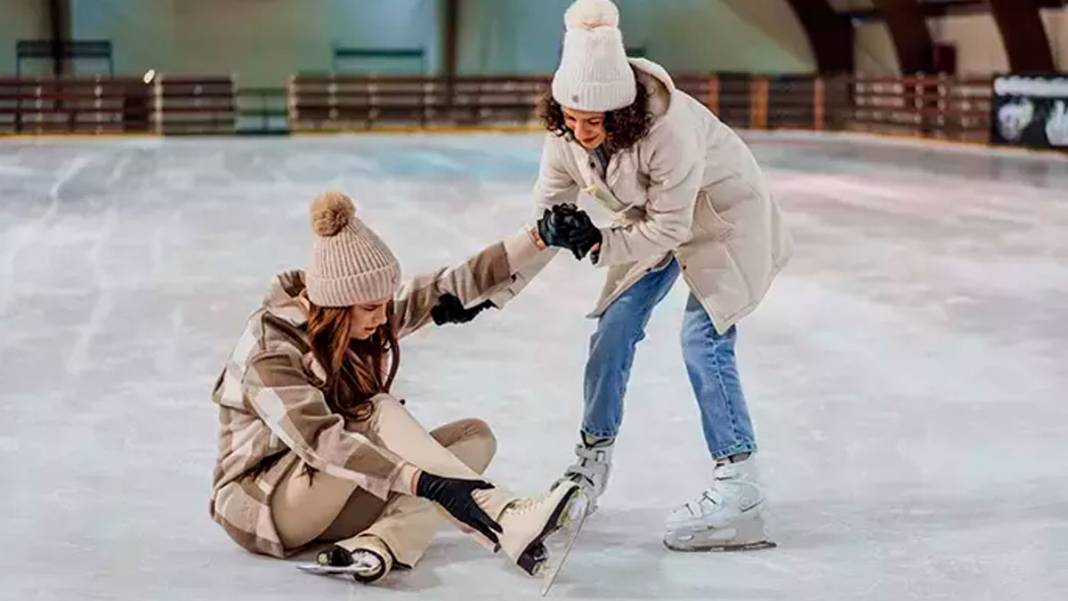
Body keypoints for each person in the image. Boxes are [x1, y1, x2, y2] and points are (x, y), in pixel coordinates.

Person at [486, 0, 793, 551]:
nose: (578, 132)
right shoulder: (566, 133)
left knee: (704, 341)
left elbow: (673, 227)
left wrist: (601, 242)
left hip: (723, 218)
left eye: (592, 122)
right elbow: (548, 209)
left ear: (621, 114)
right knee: (614, 326)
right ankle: (590, 462)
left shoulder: (668, 127)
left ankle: (740, 489)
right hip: (654, 218)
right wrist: (512, 270)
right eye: (569, 119)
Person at [209, 191, 593, 582]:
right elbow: (320, 442)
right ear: (336, 306)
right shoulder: (270, 346)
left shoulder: (361, 319)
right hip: (269, 507)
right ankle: (505, 515)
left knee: (474, 439)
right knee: (376, 412)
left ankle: (378, 544)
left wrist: (540, 237)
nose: (383, 317)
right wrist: (425, 483)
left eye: (385, 303)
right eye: (371, 308)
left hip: (338, 490)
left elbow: (450, 285)